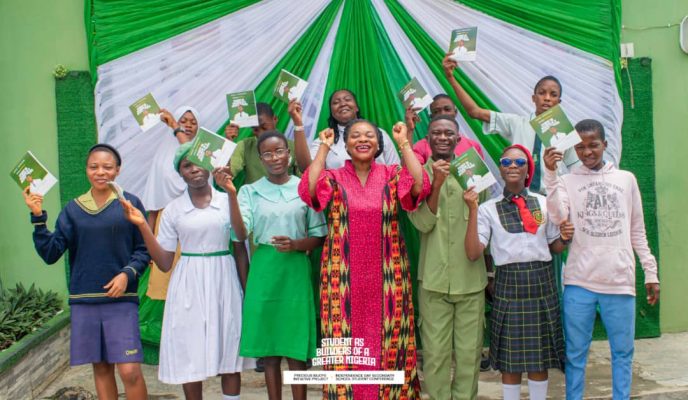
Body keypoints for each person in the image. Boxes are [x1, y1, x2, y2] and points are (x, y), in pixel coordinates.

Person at [299, 119, 430, 399]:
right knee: (343, 339)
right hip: (342, 276)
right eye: (355, 135)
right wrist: (323, 147)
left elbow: (419, 185)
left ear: (378, 144)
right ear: (345, 146)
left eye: (369, 135)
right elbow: (310, 190)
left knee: (391, 338)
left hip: (388, 275)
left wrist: (403, 143)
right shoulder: (333, 177)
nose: (363, 139)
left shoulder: (392, 175)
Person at [121, 141, 249, 400]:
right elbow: (164, 262)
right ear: (180, 173)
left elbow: (241, 236)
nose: (194, 169)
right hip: (188, 282)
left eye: (198, 163)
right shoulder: (173, 209)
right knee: (189, 351)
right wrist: (143, 226)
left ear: (209, 166)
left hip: (223, 279)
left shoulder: (227, 200)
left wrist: (232, 194)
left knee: (229, 347)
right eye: (186, 165)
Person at [543, 119, 660, 400]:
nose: (587, 152)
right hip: (579, 282)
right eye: (580, 147)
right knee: (575, 354)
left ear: (605, 144)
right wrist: (550, 172)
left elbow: (637, 230)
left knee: (622, 353)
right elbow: (558, 216)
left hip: (619, 281)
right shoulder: (567, 181)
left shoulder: (626, 179)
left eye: (593, 145)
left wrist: (650, 271)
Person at [24, 144, 149, 400]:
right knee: (101, 369)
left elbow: (143, 250)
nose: (100, 172)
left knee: (130, 371)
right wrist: (38, 217)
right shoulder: (73, 209)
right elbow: (51, 253)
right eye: (94, 167)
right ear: (86, 170)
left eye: (107, 167)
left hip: (121, 301)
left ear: (118, 170)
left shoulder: (130, 203)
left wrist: (126, 274)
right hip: (85, 301)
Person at [464, 144, 572, 400]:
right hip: (509, 285)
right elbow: (473, 253)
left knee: (539, 359)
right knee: (510, 362)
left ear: (528, 170)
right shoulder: (487, 208)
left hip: (542, 283)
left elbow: (554, 247)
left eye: (519, 162)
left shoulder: (543, 203)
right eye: (506, 162)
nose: (512, 166)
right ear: (500, 170)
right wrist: (472, 209)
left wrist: (565, 238)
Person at [225, 131, 326, 400]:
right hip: (264, 270)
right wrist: (232, 195)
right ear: (260, 159)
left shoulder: (304, 189)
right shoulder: (249, 191)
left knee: (295, 348)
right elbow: (240, 234)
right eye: (267, 154)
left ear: (288, 154)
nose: (275, 158)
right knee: (269, 351)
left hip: (295, 269)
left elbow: (319, 236)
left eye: (279, 151)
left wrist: (296, 244)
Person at [407, 115, 487, 400]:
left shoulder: (475, 173)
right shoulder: (417, 176)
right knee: (436, 356)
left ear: (458, 139)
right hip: (434, 281)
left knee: (469, 355)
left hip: (470, 280)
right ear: (427, 139)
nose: (443, 137)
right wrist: (437, 184)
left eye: (448, 133)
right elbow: (421, 223)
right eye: (437, 133)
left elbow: (485, 223)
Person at [441, 55, 579, 194]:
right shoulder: (516, 123)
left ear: (559, 102)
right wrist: (451, 78)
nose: (547, 98)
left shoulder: (565, 132)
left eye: (553, 95)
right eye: (542, 93)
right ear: (534, 98)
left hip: (552, 197)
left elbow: (576, 169)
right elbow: (475, 112)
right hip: (520, 196)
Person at [305, 89, 400, 169]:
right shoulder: (324, 140)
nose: (342, 104)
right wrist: (299, 126)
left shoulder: (379, 134)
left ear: (357, 108)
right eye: (336, 102)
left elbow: (396, 170)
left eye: (347, 99)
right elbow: (308, 170)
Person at [229, 102, 307, 185]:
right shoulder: (244, 146)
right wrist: (228, 142)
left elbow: (306, 175)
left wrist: (298, 123)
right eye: (255, 130)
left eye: (265, 128)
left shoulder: (294, 146)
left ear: (275, 119)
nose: (261, 134)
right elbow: (227, 174)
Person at [404, 94, 485, 165]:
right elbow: (407, 171)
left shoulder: (472, 146)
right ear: (431, 117)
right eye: (436, 111)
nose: (443, 114)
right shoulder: (421, 146)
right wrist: (410, 130)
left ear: (455, 112)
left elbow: (482, 176)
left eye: (447, 109)